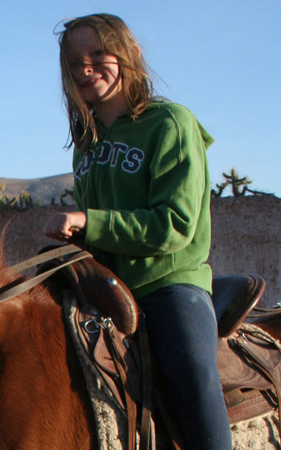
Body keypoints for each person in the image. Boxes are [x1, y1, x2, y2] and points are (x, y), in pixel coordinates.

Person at [42, 13, 231, 449]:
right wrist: (76, 241)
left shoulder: (170, 123)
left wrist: (90, 222)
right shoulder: (87, 145)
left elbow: (175, 224)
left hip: (168, 284)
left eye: (97, 54)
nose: (85, 69)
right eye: (74, 62)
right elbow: (100, 233)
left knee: (192, 375)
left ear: (130, 54)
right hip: (106, 287)